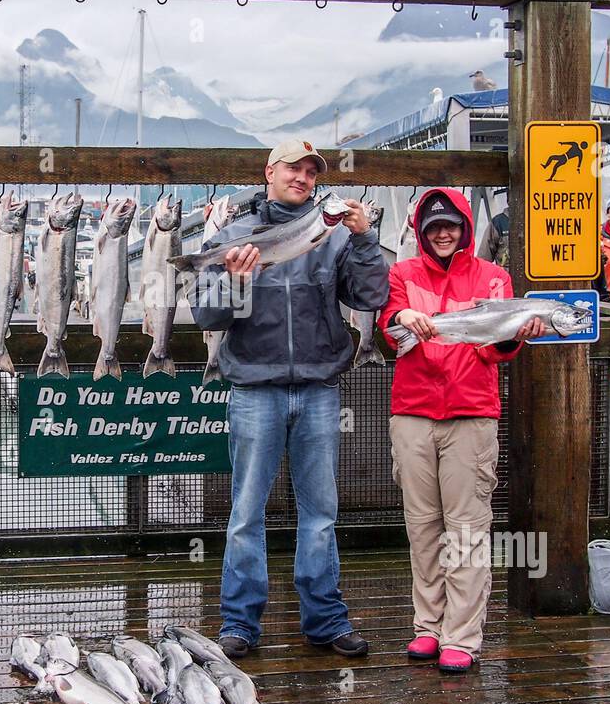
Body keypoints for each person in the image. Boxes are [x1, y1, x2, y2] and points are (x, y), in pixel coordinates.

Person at [190, 139, 389, 659]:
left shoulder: (334, 236)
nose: (301, 177)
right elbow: (208, 317)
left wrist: (365, 240)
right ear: (269, 173)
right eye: (291, 169)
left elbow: (369, 298)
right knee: (246, 513)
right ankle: (239, 623)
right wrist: (236, 282)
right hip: (255, 388)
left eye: (310, 171)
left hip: (320, 389)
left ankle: (325, 619)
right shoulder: (235, 236)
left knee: (320, 512)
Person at [379, 188, 545, 674]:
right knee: (423, 526)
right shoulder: (402, 274)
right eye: (432, 227)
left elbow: (494, 350)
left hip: (471, 415)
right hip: (413, 413)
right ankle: (427, 626)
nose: (443, 233)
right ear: (420, 233)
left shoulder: (494, 278)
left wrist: (515, 334)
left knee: (467, 530)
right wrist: (400, 317)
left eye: (450, 224)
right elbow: (392, 330)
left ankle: (462, 635)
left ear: (467, 228)